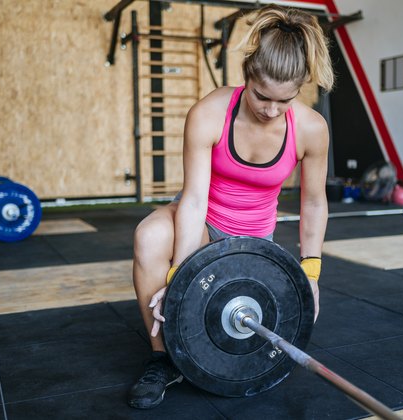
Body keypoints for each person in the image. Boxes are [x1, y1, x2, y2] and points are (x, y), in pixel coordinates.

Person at [127, 3, 334, 410]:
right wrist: (178, 277)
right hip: (203, 221)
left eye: (284, 100)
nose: (271, 109)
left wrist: (311, 271)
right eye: (262, 96)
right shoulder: (209, 114)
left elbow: (312, 202)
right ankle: (162, 359)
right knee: (149, 236)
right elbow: (193, 198)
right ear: (247, 74)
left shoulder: (310, 129)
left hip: (255, 243)